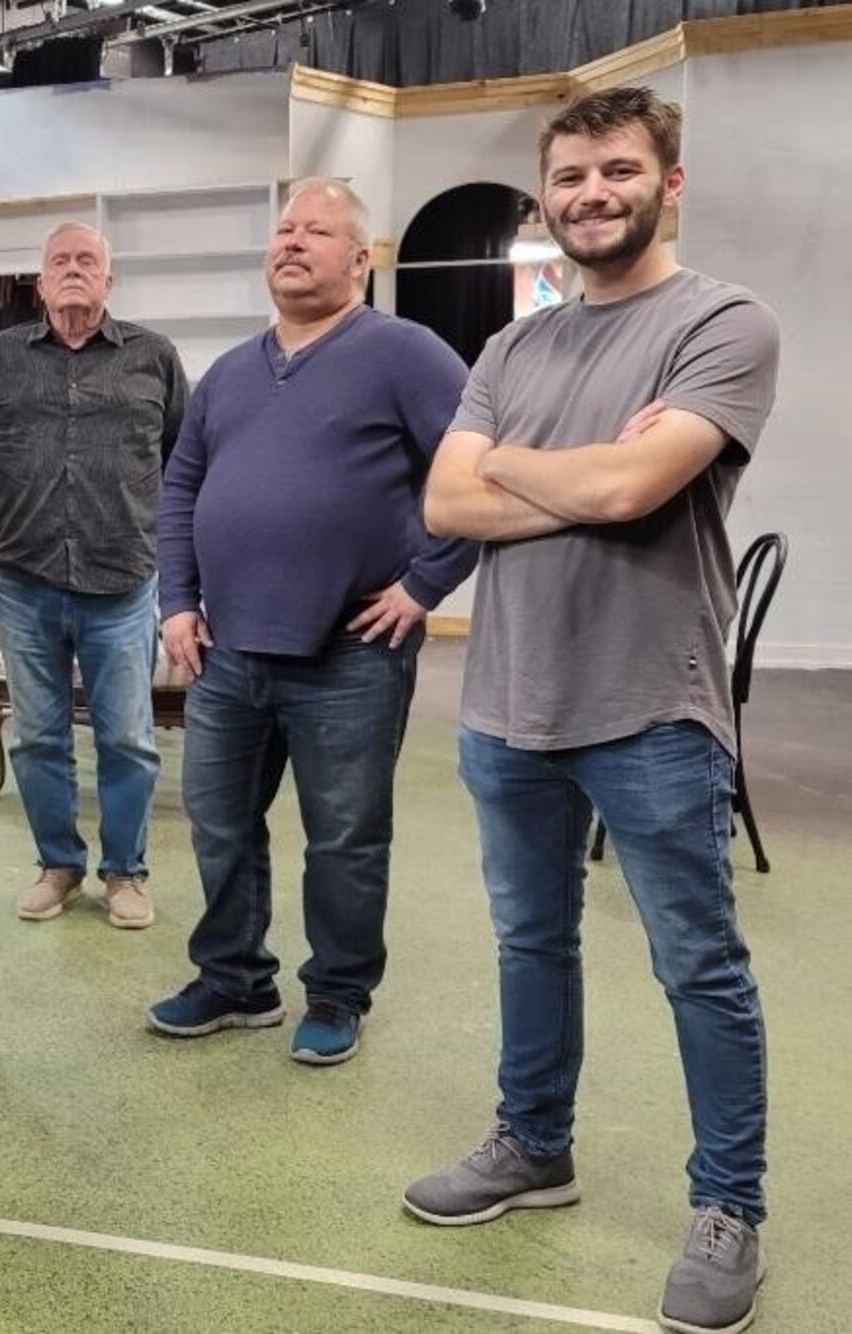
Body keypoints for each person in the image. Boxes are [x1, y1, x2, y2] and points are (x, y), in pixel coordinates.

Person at [403, 87, 780, 1334]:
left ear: (669, 181)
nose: (590, 194)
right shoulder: (513, 348)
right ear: (546, 197)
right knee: (530, 940)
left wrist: (517, 464)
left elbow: (633, 485)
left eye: (617, 170)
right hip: (506, 700)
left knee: (697, 963)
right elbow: (447, 506)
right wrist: (568, 477)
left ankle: (728, 1202)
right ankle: (533, 1145)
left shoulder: (723, 322)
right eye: (568, 177)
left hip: (649, 706)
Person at [145, 180, 475, 1064]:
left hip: (351, 652)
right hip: (228, 651)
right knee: (219, 823)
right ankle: (233, 979)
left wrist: (425, 584)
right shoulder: (230, 373)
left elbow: (477, 471)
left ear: (359, 260)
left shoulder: (406, 354)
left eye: (316, 231)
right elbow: (180, 487)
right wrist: (178, 598)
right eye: (283, 230)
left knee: (344, 835)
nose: (292, 243)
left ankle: (336, 993)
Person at [0, 221, 188, 928]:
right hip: (27, 580)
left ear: (110, 281)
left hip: (122, 581)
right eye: (59, 261)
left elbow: (179, 459)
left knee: (126, 737)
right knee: (38, 737)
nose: (73, 270)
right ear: (39, 281)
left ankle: (125, 874)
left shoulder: (155, 358)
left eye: (86, 260)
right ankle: (59, 866)